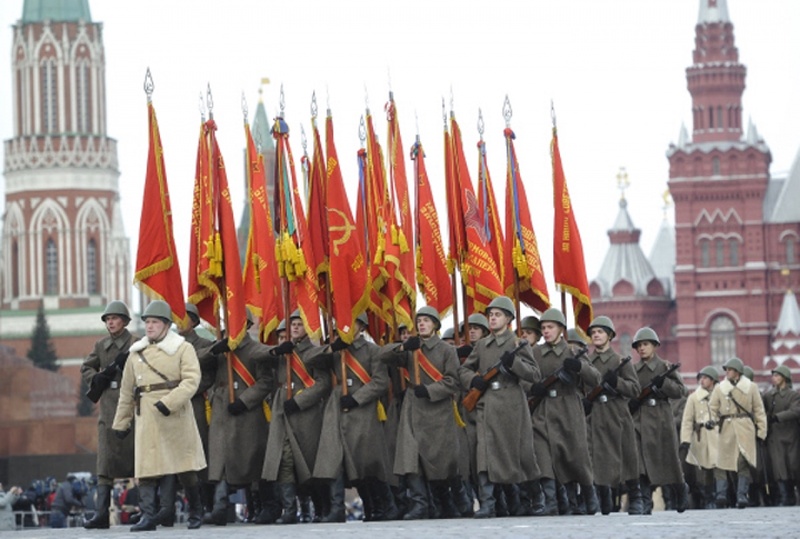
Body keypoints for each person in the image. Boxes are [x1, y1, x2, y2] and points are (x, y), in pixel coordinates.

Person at [111, 300, 207, 531]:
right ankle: (148, 516)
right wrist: (121, 422)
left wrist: (170, 402)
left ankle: (196, 510)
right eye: (147, 322)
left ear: (166, 325)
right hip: (147, 414)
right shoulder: (136, 354)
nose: (150, 326)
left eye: (154, 322)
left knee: (185, 468)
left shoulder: (183, 348)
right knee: (146, 469)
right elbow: (126, 391)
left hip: (175, 414)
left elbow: (192, 380)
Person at [459, 296, 540, 518]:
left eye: (497, 315)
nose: (493, 319)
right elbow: (464, 369)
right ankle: (487, 503)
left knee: (517, 454)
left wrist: (514, 362)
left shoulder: (518, 344)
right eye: (491, 315)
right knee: (484, 452)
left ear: (508, 319)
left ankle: (530, 498)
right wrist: (473, 381)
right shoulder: (482, 345)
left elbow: (534, 374)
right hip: (487, 403)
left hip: (512, 404)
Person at [311, 313, 398, 522]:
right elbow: (309, 359)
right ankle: (336, 509)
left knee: (366, 462)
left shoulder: (373, 351)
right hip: (337, 409)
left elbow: (380, 382)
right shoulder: (336, 349)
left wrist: (357, 398)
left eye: (352, 322)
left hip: (362, 411)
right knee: (334, 459)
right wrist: (332, 347)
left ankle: (382, 507)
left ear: (361, 327)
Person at [380, 306, 463, 520]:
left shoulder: (446, 350)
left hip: (436, 412)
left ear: (435, 324)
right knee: (410, 457)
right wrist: (404, 347)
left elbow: (453, 381)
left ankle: (444, 501)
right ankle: (419, 504)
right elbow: (383, 356)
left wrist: (429, 390)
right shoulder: (411, 348)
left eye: (426, 320)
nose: (421, 324)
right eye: (419, 321)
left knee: (439, 462)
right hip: (411, 408)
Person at [199, 309, 273, 525]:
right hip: (222, 409)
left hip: (246, 413)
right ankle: (220, 507)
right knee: (221, 460)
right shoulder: (219, 347)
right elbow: (198, 361)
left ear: (247, 325)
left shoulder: (255, 349)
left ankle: (261, 507)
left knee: (250, 461)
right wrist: (215, 349)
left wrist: (245, 400)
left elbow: (265, 381)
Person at [261, 310, 331, 525]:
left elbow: (323, 383)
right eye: (293, 325)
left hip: (305, 413)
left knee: (308, 463)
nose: (295, 328)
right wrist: (279, 351)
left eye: (300, 325)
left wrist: (299, 401)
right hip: (282, 409)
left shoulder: (314, 352)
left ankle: (319, 508)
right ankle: (289, 510)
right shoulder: (283, 351)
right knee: (284, 460)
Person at [529, 308, 599, 515]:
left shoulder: (572, 352)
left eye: (550, 327)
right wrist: (533, 388)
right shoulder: (536, 353)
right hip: (543, 409)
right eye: (543, 328)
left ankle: (588, 493)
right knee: (543, 455)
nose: (547, 331)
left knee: (576, 456)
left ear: (561, 329)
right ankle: (551, 501)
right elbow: (524, 379)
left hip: (569, 408)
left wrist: (579, 366)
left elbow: (595, 378)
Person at [80, 300, 137, 529]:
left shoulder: (135, 343)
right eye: (107, 319)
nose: (110, 322)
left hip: (130, 408)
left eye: (114, 318)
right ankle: (101, 513)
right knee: (104, 465)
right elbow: (86, 366)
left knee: (139, 464)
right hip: (107, 411)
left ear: (124, 321)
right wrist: (97, 378)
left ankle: (145, 511)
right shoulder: (101, 345)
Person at [585, 316, 642, 515]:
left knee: (627, 455)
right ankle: (603, 498)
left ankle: (635, 498)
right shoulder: (587, 362)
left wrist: (616, 383)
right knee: (597, 457)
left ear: (609, 335)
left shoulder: (619, 360)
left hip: (617, 413)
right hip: (596, 414)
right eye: (593, 333)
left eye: (600, 332)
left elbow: (635, 389)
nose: (596, 336)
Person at [629, 326, 689, 514]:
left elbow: (681, 391)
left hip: (661, 416)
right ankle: (646, 501)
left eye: (645, 344)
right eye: (639, 345)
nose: (642, 348)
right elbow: (629, 393)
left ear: (654, 346)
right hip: (640, 418)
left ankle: (680, 491)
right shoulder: (633, 369)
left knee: (670, 459)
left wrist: (663, 383)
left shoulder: (665, 367)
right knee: (642, 461)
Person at [709, 357, 768, 509]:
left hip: (745, 427)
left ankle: (742, 495)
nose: (727, 372)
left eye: (730, 369)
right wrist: (712, 420)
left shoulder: (751, 387)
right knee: (722, 462)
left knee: (743, 462)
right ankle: (721, 494)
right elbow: (713, 407)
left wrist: (761, 431)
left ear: (738, 372)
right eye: (726, 370)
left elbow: (759, 410)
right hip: (727, 427)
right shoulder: (720, 388)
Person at [680, 366, 720, 509]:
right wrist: (685, 440)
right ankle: (708, 499)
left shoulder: (721, 395)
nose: (701, 381)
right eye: (700, 378)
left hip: (718, 436)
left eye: (705, 378)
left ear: (713, 380)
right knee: (703, 471)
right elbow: (687, 420)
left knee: (720, 469)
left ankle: (720, 497)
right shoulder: (694, 398)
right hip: (700, 437)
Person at [763, 365, 800, 506]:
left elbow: (796, 410)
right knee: (779, 467)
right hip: (775, 436)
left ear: (785, 377)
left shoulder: (793, 395)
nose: (774, 378)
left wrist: (777, 417)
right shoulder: (769, 395)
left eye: (777, 376)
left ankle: (792, 495)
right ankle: (785, 497)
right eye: (774, 376)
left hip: (791, 435)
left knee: (793, 466)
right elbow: (761, 408)